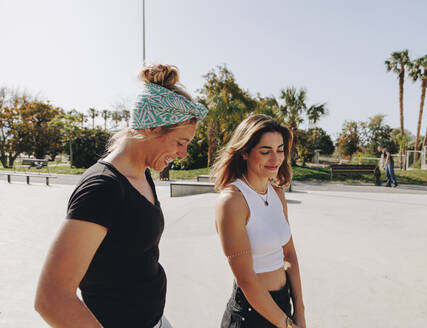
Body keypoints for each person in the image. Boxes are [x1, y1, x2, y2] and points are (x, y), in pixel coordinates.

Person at [34, 64, 208, 328]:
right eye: (180, 142)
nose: (183, 153)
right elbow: (52, 298)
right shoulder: (103, 188)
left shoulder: (143, 174)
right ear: (151, 128)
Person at [212, 114, 306, 328]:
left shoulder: (276, 193)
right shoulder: (232, 201)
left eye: (280, 150)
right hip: (250, 314)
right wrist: (289, 326)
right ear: (244, 152)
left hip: (283, 305)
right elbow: (246, 279)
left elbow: (289, 254)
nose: (275, 159)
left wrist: (299, 311)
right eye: (265, 152)